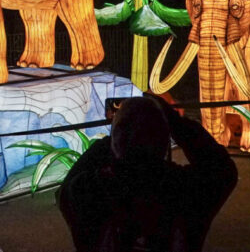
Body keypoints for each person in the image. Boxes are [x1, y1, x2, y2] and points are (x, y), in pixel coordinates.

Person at [58, 95, 237, 252]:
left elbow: (65, 191)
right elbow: (221, 168)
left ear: (118, 139)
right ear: (164, 139)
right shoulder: (186, 189)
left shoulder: (90, 192)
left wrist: (113, 136)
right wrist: (175, 121)